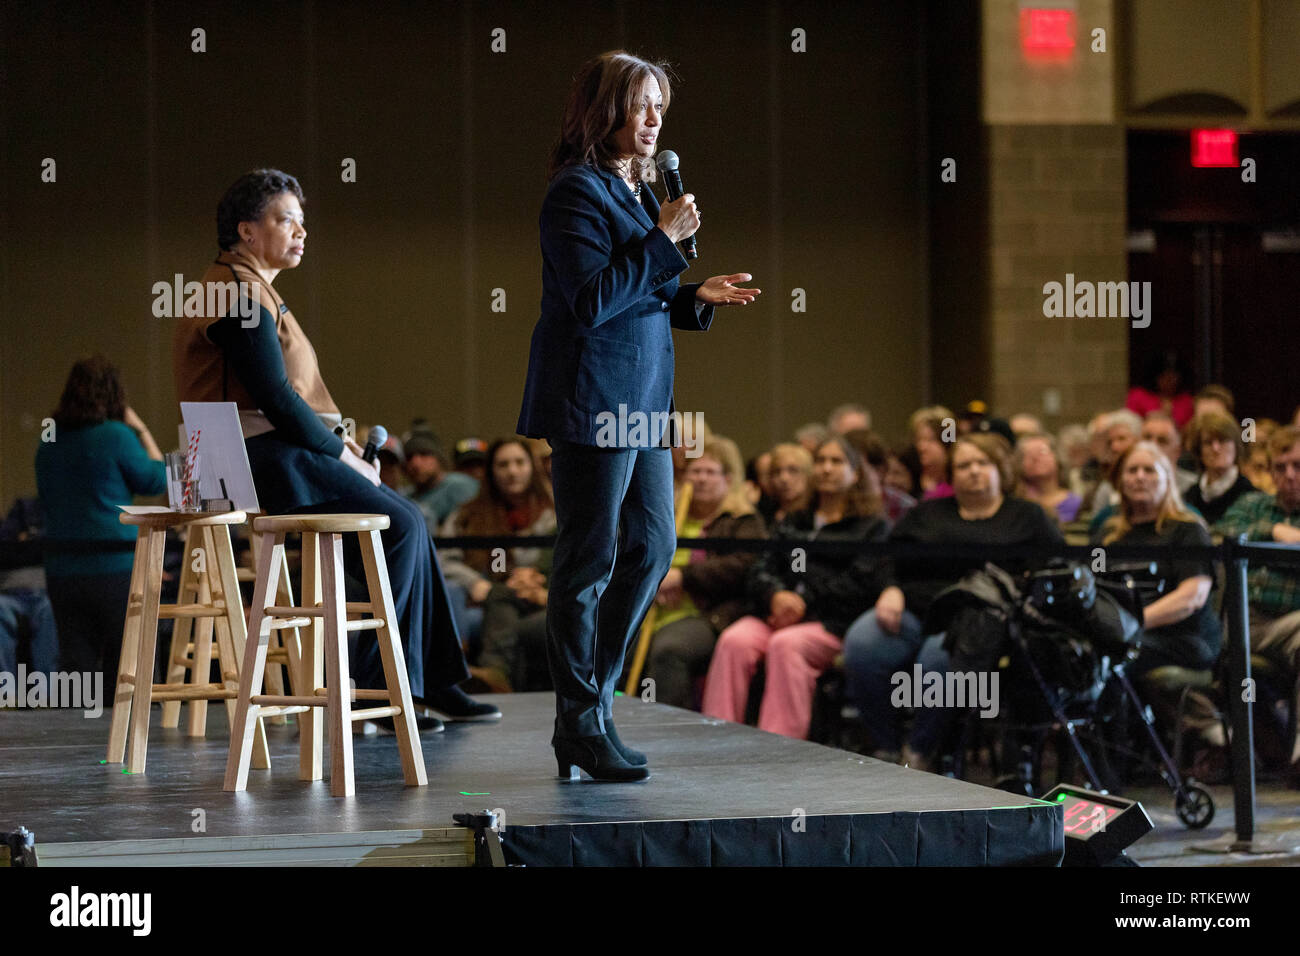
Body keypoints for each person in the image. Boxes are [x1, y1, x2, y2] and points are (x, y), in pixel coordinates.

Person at [172, 168, 498, 729]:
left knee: (405, 525)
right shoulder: (236, 290)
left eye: (303, 222)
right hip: (242, 460)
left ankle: (431, 682)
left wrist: (338, 448)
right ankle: (374, 694)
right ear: (247, 231)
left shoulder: (245, 286)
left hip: (249, 454)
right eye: (286, 220)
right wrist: (344, 456)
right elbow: (275, 398)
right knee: (403, 524)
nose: (302, 232)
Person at [516, 51, 758, 782]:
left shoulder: (633, 190)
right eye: (641, 104)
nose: (655, 119)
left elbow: (641, 296)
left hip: (645, 402)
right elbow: (590, 302)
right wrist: (662, 240)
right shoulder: (575, 194)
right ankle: (581, 723)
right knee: (589, 558)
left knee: (652, 547)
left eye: (661, 105)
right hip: (592, 399)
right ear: (603, 110)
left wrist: (693, 296)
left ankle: (594, 705)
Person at [841, 433, 1063, 769]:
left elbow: (1055, 570)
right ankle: (885, 747)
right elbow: (886, 559)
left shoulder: (1028, 517)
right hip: (915, 609)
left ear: (1001, 469)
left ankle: (920, 751)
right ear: (951, 473)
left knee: (937, 664)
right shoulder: (926, 513)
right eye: (964, 465)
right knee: (863, 644)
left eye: (982, 463)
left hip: (979, 619)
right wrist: (890, 589)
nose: (973, 471)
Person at [702, 436, 887, 739]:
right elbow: (761, 567)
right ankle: (716, 737)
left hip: (829, 623)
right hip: (776, 615)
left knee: (786, 645)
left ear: (856, 474)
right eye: (821, 461)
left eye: (836, 461)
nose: (826, 468)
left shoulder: (870, 527)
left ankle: (777, 744)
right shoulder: (794, 521)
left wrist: (801, 602)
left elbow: (859, 582)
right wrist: (775, 595)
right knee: (734, 640)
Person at [34, 356, 167, 680]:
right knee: (128, 667)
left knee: (76, 668)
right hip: (115, 567)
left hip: (62, 569)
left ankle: (75, 729)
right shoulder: (116, 435)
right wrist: (141, 429)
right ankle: (123, 730)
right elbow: (158, 480)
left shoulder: (49, 440)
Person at [641, 436, 766, 709]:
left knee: (670, 650)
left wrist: (683, 577)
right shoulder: (671, 516)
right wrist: (654, 581)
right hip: (657, 610)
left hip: (712, 615)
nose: (701, 479)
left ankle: (668, 731)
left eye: (710, 472)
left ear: (729, 479)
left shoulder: (742, 520)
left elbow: (743, 566)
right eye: (695, 471)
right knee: (614, 644)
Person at [438, 438, 557, 694]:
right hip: (483, 598)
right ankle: (461, 676)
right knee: (478, 597)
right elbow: (442, 558)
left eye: (519, 463)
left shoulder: (555, 511)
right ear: (491, 471)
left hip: (538, 597)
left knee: (502, 598)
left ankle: (492, 672)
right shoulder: (467, 514)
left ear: (532, 467)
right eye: (503, 465)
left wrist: (537, 579)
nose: (512, 471)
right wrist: (474, 582)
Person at [1094, 442, 1221, 682]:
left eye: (1149, 470)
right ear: (1121, 481)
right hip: (1125, 633)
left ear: (1168, 479)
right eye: (1132, 471)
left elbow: (1191, 598)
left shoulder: (1188, 530)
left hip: (1182, 638)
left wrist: (1131, 624)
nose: (1140, 477)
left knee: (1110, 656)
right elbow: (1093, 586)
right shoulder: (1107, 535)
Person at [1216, 426, 1300, 783]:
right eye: (1279, 467)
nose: (1289, 476)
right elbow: (1222, 534)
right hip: (1242, 619)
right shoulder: (1252, 504)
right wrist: (1278, 536)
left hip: (1291, 624)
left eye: (1297, 465)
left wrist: (1262, 551)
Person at [1183, 411, 1256, 525]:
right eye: (1208, 442)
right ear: (1199, 450)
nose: (1215, 448)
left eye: (1222, 440)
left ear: (1236, 445)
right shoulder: (1189, 497)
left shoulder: (1251, 496)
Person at [403, 432, 478, 532]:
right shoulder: (405, 497)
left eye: (424, 454)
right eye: (409, 457)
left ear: (438, 458)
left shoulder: (461, 486)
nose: (416, 463)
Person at [1014, 432, 1082, 524]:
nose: (1035, 458)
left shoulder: (1077, 503)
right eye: (1027, 454)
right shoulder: (1015, 504)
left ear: (1057, 457)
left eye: (1042, 452)